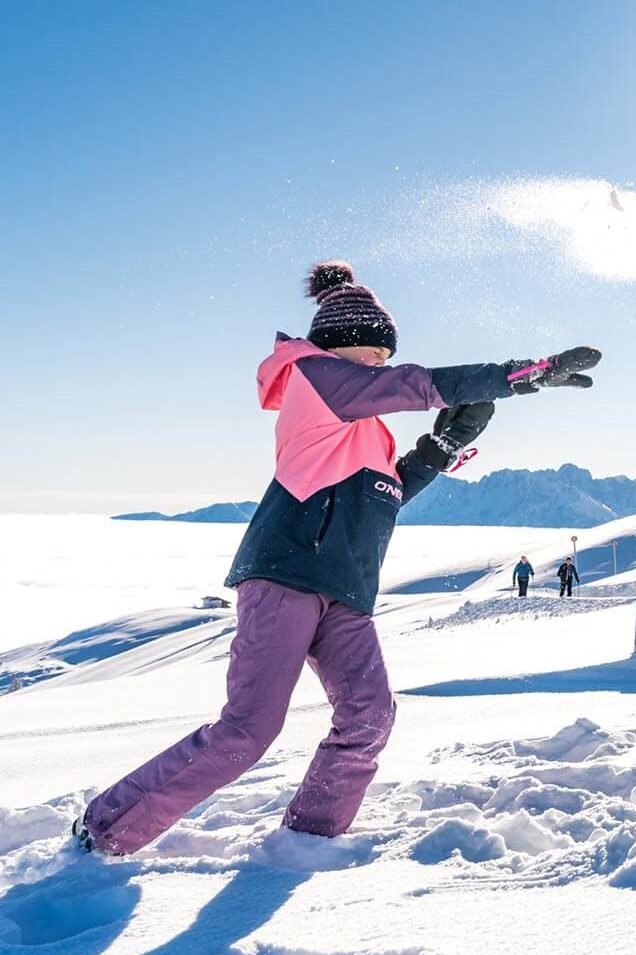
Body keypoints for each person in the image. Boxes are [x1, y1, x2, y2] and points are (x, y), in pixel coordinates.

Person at [73, 261, 601, 856]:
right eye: (372, 354)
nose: (379, 364)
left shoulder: (366, 430)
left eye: (384, 355)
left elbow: (384, 495)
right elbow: (411, 385)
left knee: (369, 717)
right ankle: (104, 830)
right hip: (286, 577)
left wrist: (440, 448)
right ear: (337, 346)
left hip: (347, 590)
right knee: (248, 730)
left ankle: (308, 840)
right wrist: (514, 376)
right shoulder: (314, 381)